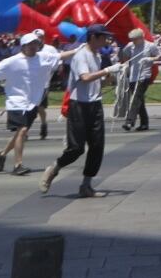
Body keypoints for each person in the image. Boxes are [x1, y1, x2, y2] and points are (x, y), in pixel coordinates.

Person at [40, 26, 122, 198]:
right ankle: (55, 167)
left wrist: (112, 77)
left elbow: (97, 81)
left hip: (95, 104)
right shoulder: (81, 55)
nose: (106, 41)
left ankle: (86, 185)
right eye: (103, 38)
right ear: (93, 37)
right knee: (76, 148)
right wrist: (107, 70)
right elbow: (85, 78)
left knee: (97, 146)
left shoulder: (97, 56)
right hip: (79, 105)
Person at [0, 30, 59, 175]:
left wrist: (80, 48)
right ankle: (17, 165)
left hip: (32, 102)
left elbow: (61, 56)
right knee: (23, 131)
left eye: (35, 44)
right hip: (16, 102)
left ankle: (2, 154)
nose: (33, 46)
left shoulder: (43, 57)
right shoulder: (12, 61)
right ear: (23, 46)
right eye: (30, 44)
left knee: (20, 133)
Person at [116, 29, 160, 131]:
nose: (133, 41)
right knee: (139, 100)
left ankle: (129, 122)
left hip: (144, 76)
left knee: (135, 99)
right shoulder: (130, 46)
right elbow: (125, 55)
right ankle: (144, 123)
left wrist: (150, 59)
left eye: (135, 39)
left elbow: (159, 55)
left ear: (141, 38)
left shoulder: (150, 46)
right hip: (133, 76)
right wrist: (125, 64)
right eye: (132, 39)